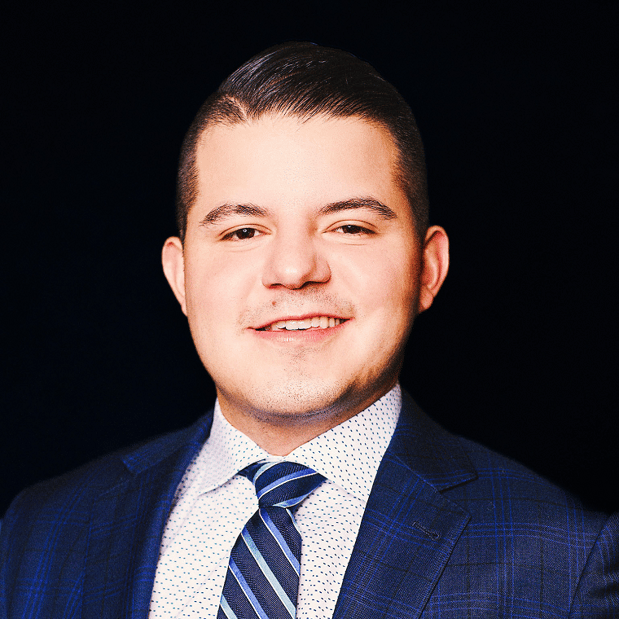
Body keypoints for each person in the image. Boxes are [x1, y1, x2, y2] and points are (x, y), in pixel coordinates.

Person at [1, 42, 617, 619]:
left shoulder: (566, 563)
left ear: (427, 269)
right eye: (243, 231)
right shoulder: (36, 532)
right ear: (181, 277)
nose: (294, 270)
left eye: (349, 227)